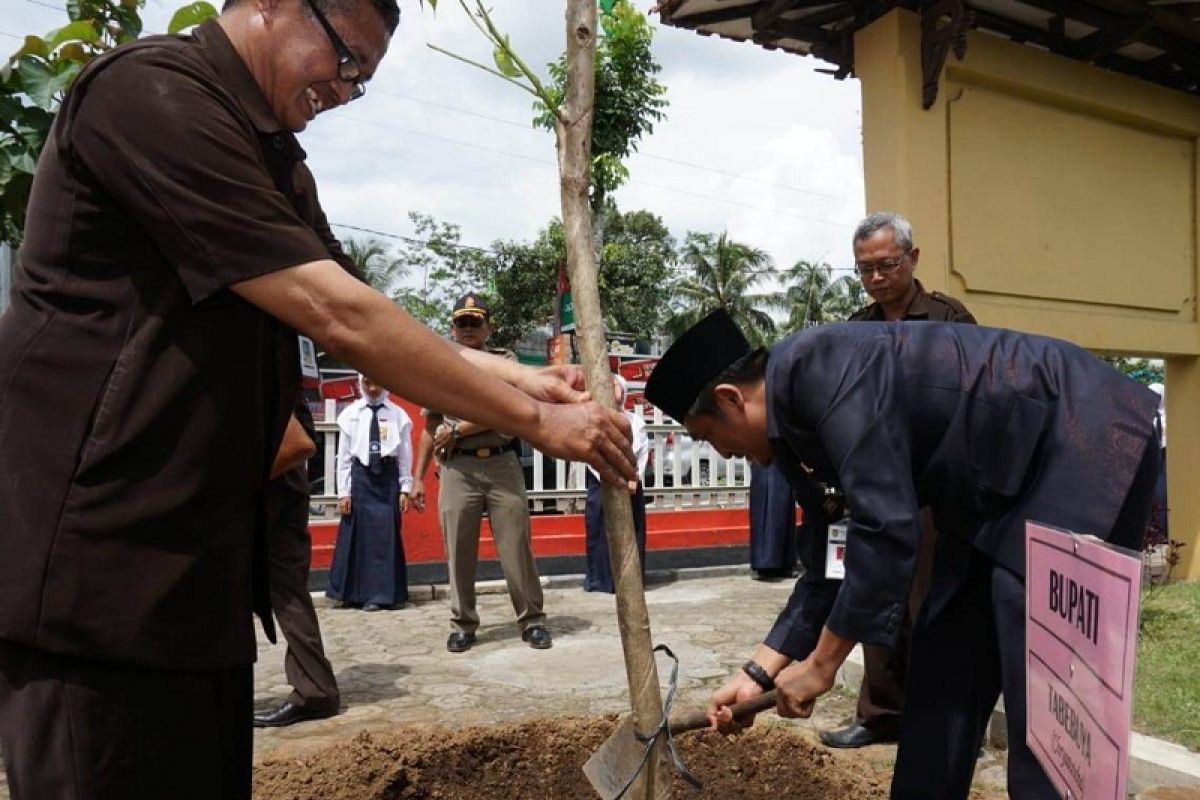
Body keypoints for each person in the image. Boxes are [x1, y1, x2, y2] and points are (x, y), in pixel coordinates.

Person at [0, 0, 636, 795]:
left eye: (362, 79)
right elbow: (332, 311)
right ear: (271, 6)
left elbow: (359, 305)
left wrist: (521, 377)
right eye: (345, 61)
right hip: (96, 576)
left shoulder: (272, 157)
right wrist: (539, 420)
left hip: (195, 577)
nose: (344, 90)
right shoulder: (150, 97)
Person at [645, 309, 1159, 800]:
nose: (722, 453)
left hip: (1076, 436)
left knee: (1039, 667)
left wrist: (822, 665)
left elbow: (886, 529)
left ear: (731, 398)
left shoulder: (822, 370)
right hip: (986, 492)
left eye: (708, 437)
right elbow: (831, 556)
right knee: (945, 652)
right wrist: (759, 672)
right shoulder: (793, 435)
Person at [819, 211, 977, 749]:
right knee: (877, 598)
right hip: (876, 488)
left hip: (935, 489)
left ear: (912, 258)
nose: (876, 278)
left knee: (934, 604)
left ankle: (949, 723)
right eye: (864, 269)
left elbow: (974, 397)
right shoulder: (855, 330)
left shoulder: (949, 320)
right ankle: (880, 714)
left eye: (886, 265)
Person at [411, 293, 553, 653]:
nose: (469, 328)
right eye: (462, 322)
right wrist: (416, 476)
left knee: (516, 547)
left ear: (489, 327)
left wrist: (458, 429)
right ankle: (463, 622)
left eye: (476, 321)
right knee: (457, 549)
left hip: (502, 463)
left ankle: (532, 619)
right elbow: (430, 425)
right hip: (458, 467)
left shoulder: (504, 362)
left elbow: (503, 410)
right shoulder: (437, 365)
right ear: (452, 327)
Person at [254, 394, 341, 728]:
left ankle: (315, 690)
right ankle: (314, 688)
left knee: (286, 594)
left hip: (273, 491)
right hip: (281, 489)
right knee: (289, 595)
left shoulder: (259, 365)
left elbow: (297, 444)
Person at [327, 374, 413, 611]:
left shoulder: (398, 415)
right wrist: (343, 492)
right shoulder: (351, 415)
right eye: (367, 383)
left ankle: (384, 594)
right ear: (360, 383)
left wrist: (406, 487)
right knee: (357, 534)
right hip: (361, 478)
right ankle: (353, 593)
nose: (373, 388)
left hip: (387, 478)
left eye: (378, 382)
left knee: (385, 535)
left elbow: (405, 454)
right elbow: (343, 457)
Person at [584, 376, 651, 593]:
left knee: (634, 529)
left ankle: (633, 580)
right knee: (600, 530)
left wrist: (633, 478)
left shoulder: (636, 423)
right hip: (601, 481)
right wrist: (610, 476)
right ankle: (601, 580)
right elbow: (592, 453)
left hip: (631, 482)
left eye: (615, 386)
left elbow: (642, 454)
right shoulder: (595, 420)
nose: (612, 390)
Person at [747, 464, 800, 580]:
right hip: (761, 456)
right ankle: (761, 564)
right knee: (763, 505)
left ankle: (785, 563)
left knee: (783, 504)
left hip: (783, 458)